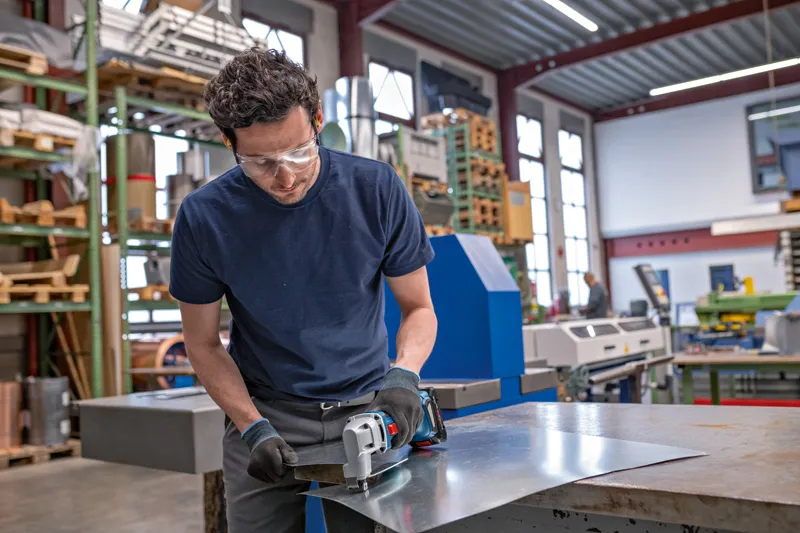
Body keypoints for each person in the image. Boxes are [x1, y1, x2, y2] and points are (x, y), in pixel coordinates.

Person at [168, 48, 438, 533]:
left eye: (298, 152)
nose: (286, 176)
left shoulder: (376, 189)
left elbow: (419, 308)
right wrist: (251, 426)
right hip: (266, 415)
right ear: (229, 142)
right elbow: (203, 344)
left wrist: (404, 377)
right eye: (260, 162)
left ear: (317, 121)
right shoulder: (204, 217)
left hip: (368, 408)